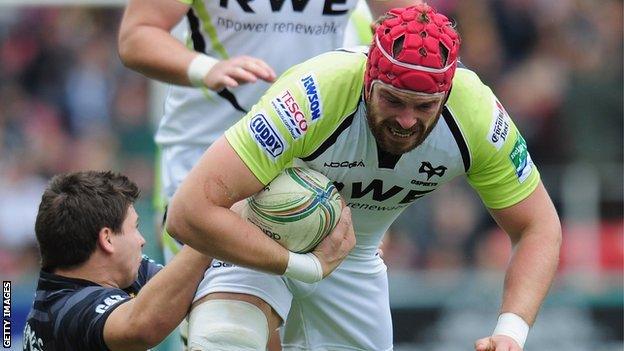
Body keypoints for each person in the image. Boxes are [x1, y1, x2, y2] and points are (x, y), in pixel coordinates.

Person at [166, 3, 562, 351]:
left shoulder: (477, 114)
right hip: (257, 235)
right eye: (392, 100)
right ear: (367, 79)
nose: (407, 120)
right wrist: (299, 265)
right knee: (225, 342)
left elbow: (538, 226)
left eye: (424, 106)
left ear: (446, 92)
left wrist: (511, 330)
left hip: (353, 258)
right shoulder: (313, 94)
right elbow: (187, 213)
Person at [21, 170, 211, 351]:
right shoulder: (64, 313)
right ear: (107, 239)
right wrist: (211, 236)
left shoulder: (122, 273)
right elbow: (141, 326)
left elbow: (179, 284)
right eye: (135, 227)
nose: (142, 240)